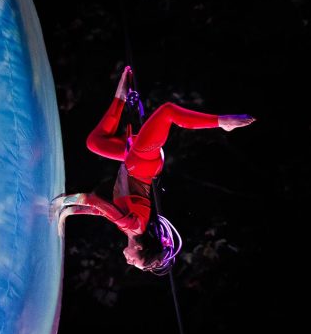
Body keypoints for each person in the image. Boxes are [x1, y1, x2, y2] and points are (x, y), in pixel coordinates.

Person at [51, 66, 255, 272]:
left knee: (95, 143)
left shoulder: (129, 228)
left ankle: (120, 98)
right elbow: (92, 199)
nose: (129, 262)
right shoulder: (133, 227)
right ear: (139, 248)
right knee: (168, 111)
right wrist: (61, 202)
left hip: (134, 161)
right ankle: (223, 122)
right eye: (135, 261)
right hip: (142, 163)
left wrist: (67, 213)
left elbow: (98, 211)